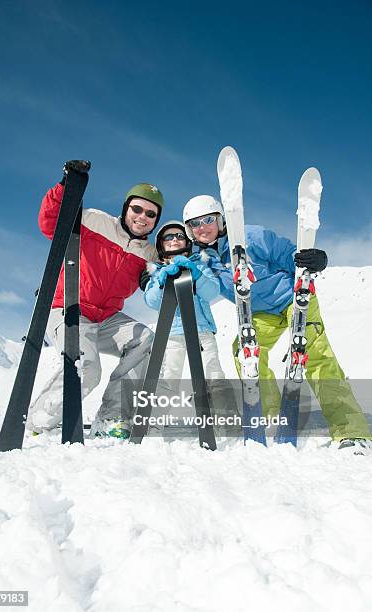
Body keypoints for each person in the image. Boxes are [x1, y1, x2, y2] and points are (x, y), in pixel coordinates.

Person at [183, 195, 371, 452]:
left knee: (314, 355)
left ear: (221, 219)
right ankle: (270, 417)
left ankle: (352, 432)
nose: (203, 227)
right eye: (195, 224)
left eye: (208, 219)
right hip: (261, 314)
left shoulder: (251, 236)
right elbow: (179, 268)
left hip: (294, 297)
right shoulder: (204, 264)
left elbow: (290, 254)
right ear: (189, 231)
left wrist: (314, 260)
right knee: (244, 352)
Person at [27, 160, 164, 440]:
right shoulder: (94, 221)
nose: (142, 217)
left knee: (145, 340)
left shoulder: (149, 253)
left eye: (151, 214)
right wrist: (67, 186)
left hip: (106, 318)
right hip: (69, 307)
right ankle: (40, 420)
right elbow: (51, 223)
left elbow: (164, 272)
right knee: (87, 368)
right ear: (126, 208)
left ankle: (113, 417)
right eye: (137, 208)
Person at [142, 220, 237, 432]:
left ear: (187, 241)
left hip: (200, 330)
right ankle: (156, 421)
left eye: (179, 236)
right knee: (168, 376)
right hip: (172, 333)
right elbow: (152, 301)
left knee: (212, 372)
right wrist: (161, 282)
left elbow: (211, 292)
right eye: (169, 237)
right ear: (160, 245)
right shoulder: (156, 271)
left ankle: (225, 419)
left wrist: (196, 274)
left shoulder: (200, 264)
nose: (175, 239)